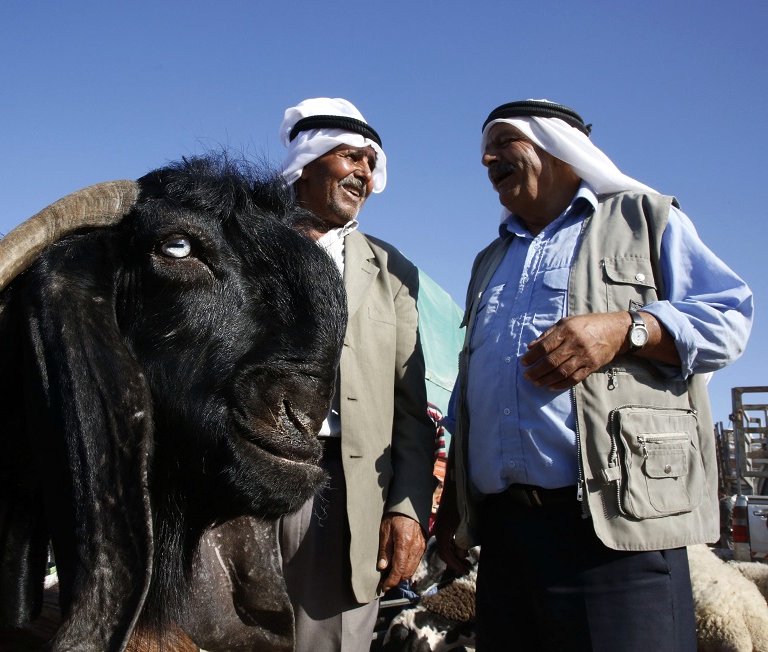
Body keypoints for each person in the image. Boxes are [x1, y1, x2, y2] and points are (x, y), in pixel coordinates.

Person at [434, 99, 754, 651]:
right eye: (484, 149)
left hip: (614, 535)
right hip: (506, 543)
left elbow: (729, 317)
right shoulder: (489, 260)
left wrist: (628, 328)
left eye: (504, 142)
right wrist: (454, 507)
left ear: (558, 149)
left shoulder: (644, 219)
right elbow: (471, 391)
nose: (487, 157)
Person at [277, 97, 437, 651]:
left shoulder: (392, 271)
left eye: (371, 163)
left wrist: (406, 507)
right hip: (244, 484)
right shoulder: (248, 247)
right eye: (351, 158)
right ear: (307, 161)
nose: (364, 174)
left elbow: (413, 411)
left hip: (345, 494)